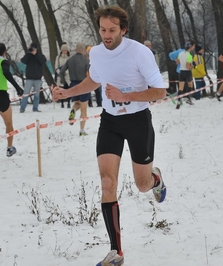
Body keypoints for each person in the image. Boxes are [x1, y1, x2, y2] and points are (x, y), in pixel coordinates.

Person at [51, 6, 167, 266]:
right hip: (110, 122)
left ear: (123, 30)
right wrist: (67, 93)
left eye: (112, 30)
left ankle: (156, 179)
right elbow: (94, 80)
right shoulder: (97, 53)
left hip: (137, 121)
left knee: (141, 184)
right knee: (107, 182)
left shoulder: (140, 52)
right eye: (103, 29)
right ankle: (116, 252)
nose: (106, 34)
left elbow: (159, 92)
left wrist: (127, 96)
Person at [59, 42, 90, 136]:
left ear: (76, 49)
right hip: (84, 85)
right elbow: (89, 73)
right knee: (84, 108)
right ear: (84, 50)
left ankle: (73, 111)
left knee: (77, 103)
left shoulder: (70, 60)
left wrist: (64, 83)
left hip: (73, 84)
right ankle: (82, 130)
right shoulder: (86, 60)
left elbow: (61, 72)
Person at [20, 43, 47, 113]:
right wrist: (29, 53)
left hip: (38, 78)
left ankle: (35, 108)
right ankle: (22, 108)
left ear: (36, 49)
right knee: (26, 93)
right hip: (29, 77)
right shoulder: (28, 55)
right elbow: (23, 60)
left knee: (37, 94)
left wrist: (36, 55)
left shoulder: (40, 55)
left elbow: (43, 61)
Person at [175, 39, 195, 108]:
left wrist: (181, 62)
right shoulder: (189, 55)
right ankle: (188, 98)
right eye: (193, 46)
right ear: (191, 47)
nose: (194, 47)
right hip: (187, 72)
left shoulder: (181, 53)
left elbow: (177, 61)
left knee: (180, 88)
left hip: (181, 72)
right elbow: (188, 66)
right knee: (190, 86)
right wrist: (194, 65)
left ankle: (178, 101)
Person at [54, 43, 71, 108]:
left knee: (67, 88)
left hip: (67, 75)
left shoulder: (69, 57)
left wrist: (66, 72)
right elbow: (56, 66)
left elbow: (70, 66)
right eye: (63, 50)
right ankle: (62, 103)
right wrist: (59, 72)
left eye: (65, 50)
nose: (64, 51)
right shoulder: (58, 57)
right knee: (60, 88)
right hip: (60, 75)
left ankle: (68, 102)